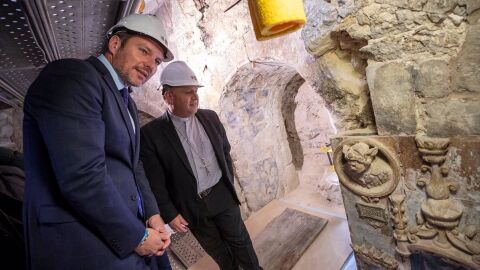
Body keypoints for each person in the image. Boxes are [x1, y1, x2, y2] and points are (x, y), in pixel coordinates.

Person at [23, 14, 174, 270]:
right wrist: (136, 237)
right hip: (85, 243)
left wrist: (152, 214)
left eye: (157, 61)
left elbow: (133, 165)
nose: (150, 65)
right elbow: (81, 176)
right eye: (143, 51)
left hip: (126, 232)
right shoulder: (73, 76)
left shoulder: (126, 100)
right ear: (115, 44)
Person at [140, 61, 262, 270]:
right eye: (188, 92)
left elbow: (225, 151)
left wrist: (227, 183)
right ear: (169, 97)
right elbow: (155, 181)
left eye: (195, 91)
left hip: (221, 193)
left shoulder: (210, 117)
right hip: (191, 205)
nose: (195, 97)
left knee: (240, 241)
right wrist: (170, 213)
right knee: (218, 250)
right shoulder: (151, 134)